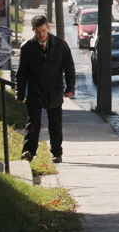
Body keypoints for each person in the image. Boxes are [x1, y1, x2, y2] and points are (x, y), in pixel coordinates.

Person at [15, 14, 76, 163]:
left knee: (55, 124)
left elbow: (69, 67)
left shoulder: (60, 45)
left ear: (48, 28)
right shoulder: (28, 47)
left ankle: (56, 152)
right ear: (33, 31)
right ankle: (29, 151)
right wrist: (20, 93)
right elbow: (21, 73)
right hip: (35, 90)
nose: (41, 34)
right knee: (33, 122)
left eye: (43, 30)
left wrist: (70, 87)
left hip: (54, 89)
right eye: (38, 31)